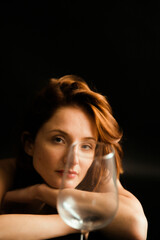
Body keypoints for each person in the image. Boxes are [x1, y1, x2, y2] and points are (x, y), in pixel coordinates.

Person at [0, 75, 147, 240]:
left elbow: (135, 226)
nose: (73, 160)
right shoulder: (7, 171)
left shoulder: (96, 173)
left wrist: (40, 192)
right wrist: (79, 219)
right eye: (59, 140)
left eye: (86, 146)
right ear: (30, 144)